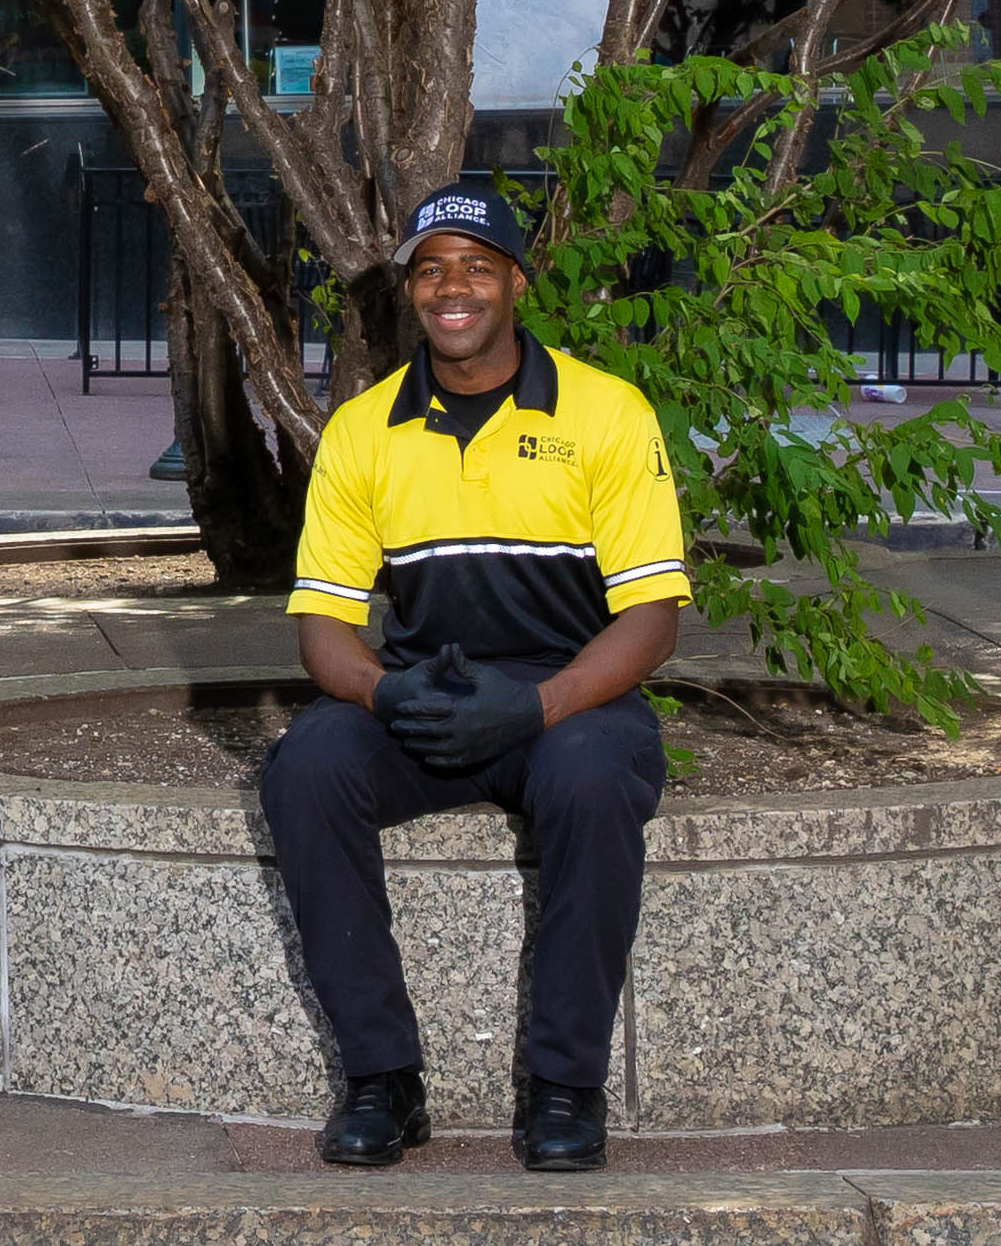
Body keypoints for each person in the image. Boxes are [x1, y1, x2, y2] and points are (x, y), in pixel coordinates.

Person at [260, 181, 694, 1176]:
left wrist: (537, 705)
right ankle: (383, 1080)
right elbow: (324, 626)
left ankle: (565, 1086)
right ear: (411, 289)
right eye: (430, 269)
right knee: (307, 769)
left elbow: (653, 618)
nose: (451, 287)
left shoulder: (606, 412)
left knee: (593, 783)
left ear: (516, 281)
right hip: (426, 697)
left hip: (571, 697)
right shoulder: (364, 428)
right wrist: (383, 693)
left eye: (475, 266)